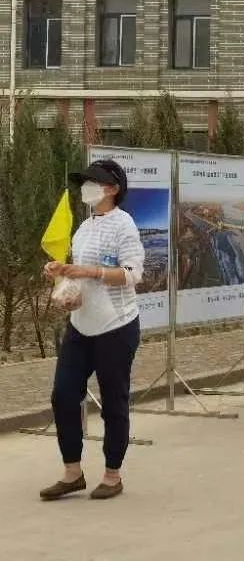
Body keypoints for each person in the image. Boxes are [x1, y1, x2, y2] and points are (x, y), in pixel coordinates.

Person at [40, 160, 144, 501]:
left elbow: (133, 274)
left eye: (93, 182)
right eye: (84, 182)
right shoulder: (84, 227)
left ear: (112, 189)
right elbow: (79, 276)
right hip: (80, 326)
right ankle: (73, 473)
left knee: (114, 402)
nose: (86, 188)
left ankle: (112, 475)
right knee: (63, 395)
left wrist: (89, 271)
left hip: (116, 326)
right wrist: (62, 276)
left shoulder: (124, 224)